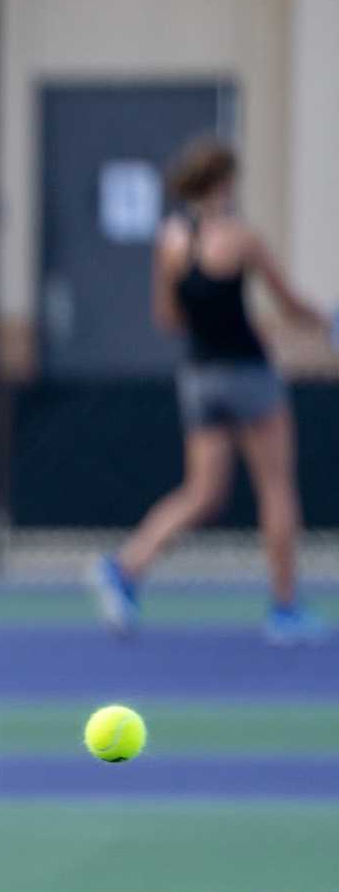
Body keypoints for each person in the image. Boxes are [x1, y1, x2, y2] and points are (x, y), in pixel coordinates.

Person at [89, 138, 329, 644]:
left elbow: (167, 317)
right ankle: (285, 610)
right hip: (248, 375)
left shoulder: (170, 239)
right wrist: (327, 321)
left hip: (199, 378)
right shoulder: (241, 238)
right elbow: (288, 304)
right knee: (277, 489)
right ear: (223, 183)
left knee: (202, 493)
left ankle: (127, 566)